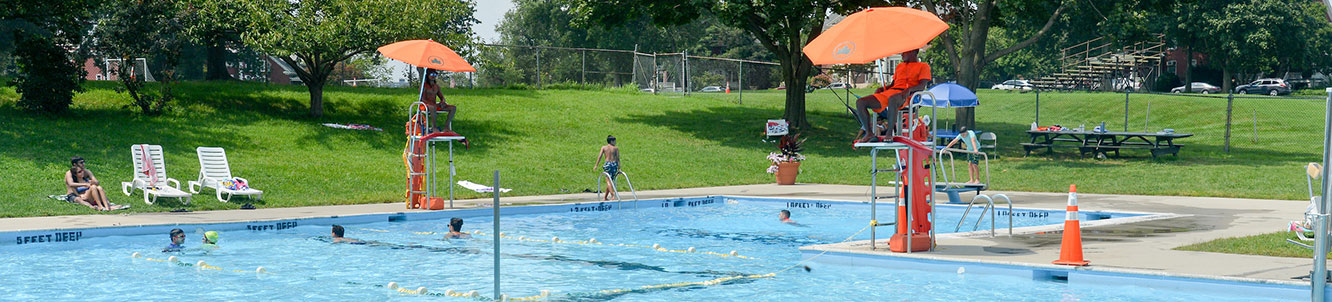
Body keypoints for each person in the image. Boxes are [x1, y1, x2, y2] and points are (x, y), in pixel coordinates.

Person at [854, 49, 931, 143]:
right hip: (891, 92)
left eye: (904, 52)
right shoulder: (900, 66)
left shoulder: (923, 66)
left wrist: (909, 90)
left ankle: (889, 133)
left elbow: (922, 86)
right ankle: (869, 133)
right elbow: (893, 84)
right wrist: (883, 88)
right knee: (861, 102)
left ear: (913, 52)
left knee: (892, 99)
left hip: (907, 95)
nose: (902, 54)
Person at [421, 69, 457, 134]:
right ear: (428, 75)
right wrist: (431, 104)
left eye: (435, 74)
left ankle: (446, 127)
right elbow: (422, 99)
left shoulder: (436, 86)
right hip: (424, 105)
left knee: (453, 108)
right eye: (431, 74)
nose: (433, 76)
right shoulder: (424, 85)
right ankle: (434, 127)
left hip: (434, 105)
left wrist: (442, 102)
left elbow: (442, 97)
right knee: (433, 107)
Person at [594, 135, 620, 201]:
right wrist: (619, 167)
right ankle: (606, 197)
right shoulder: (616, 148)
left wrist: (596, 165)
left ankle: (612, 195)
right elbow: (617, 159)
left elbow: (599, 157)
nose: (615, 142)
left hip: (608, 164)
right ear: (611, 141)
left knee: (608, 181)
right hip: (614, 164)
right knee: (610, 181)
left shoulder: (604, 147)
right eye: (614, 141)